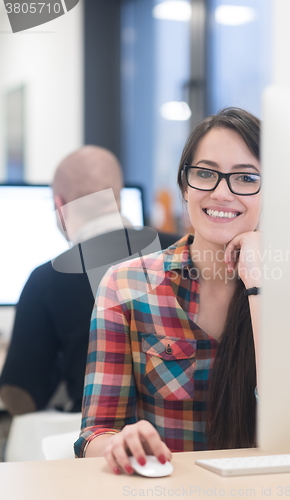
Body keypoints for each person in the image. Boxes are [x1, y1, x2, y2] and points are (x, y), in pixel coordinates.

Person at [74, 108, 261, 475]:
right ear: (184, 186)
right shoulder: (126, 286)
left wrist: (259, 283)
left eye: (246, 177)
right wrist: (120, 444)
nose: (222, 192)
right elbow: (94, 433)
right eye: (205, 173)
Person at [0, 146, 180, 415]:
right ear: (117, 195)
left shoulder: (47, 279)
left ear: (59, 205)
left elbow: (22, 396)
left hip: (97, 440)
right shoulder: (181, 250)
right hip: (184, 433)